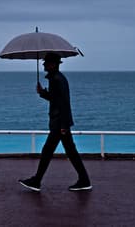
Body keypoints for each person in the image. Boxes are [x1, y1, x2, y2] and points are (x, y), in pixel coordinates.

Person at [19, 52, 92, 192]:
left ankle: (37, 181)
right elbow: (56, 99)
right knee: (69, 151)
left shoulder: (57, 79)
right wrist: (42, 93)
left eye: (46, 62)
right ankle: (84, 180)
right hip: (60, 122)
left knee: (48, 151)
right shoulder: (56, 78)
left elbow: (63, 103)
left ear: (53, 64)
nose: (43, 64)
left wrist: (64, 125)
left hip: (59, 123)